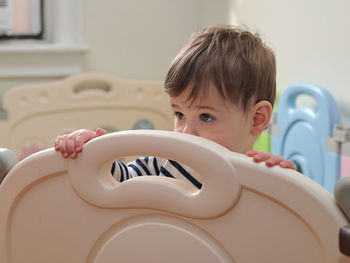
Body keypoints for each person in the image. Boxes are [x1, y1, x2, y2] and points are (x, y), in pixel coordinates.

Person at [54, 25, 296, 189]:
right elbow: (114, 182)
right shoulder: (163, 164)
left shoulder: (262, 180)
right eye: (180, 114)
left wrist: (287, 184)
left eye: (206, 117)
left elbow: (293, 231)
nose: (185, 132)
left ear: (257, 119)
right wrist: (91, 152)